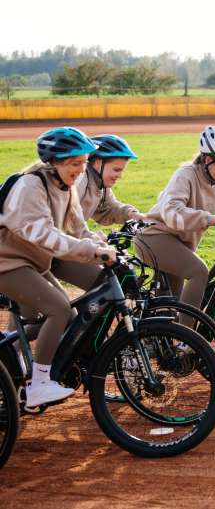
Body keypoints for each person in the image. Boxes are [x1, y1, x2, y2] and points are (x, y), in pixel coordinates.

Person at [0, 127, 115, 407]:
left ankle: (9, 351)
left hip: (31, 262)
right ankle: (39, 384)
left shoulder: (65, 187)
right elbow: (45, 235)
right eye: (75, 163)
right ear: (56, 162)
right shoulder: (30, 185)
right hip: (8, 263)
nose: (81, 169)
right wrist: (91, 252)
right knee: (59, 309)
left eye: (85, 162)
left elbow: (78, 228)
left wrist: (100, 245)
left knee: (64, 314)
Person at [134, 126, 215, 316]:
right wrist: (212, 220)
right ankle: (188, 342)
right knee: (199, 272)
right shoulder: (185, 175)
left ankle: (162, 338)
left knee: (169, 306)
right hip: (154, 238)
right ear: (208, 159)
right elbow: (172, 212)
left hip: (178, 243)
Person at [50, 134, 146, 291]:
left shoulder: (99, 184)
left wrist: (132, 214)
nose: (119, 176)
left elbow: (108, 208)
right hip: (49, 248)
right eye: (116, 169)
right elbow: (71, 219)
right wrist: (94, 239)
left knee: (105, 286)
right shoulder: (79, 180)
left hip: (65, 247)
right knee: (56, 307)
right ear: (98, 163)